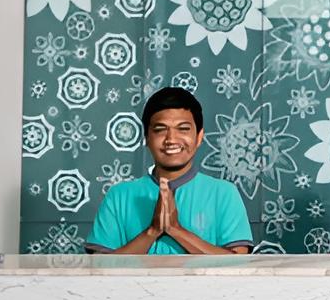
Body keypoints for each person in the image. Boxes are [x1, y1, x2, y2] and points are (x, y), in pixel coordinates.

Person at [88, 87, 253, 254]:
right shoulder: (118, 196)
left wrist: (176, 230)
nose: (171, 139)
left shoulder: (224, 193)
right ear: (147, 138)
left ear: (199, 137)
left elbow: (238, 261)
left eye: (183, 129)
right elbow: (98, 264)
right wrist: (152, 231)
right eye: (160, 129)